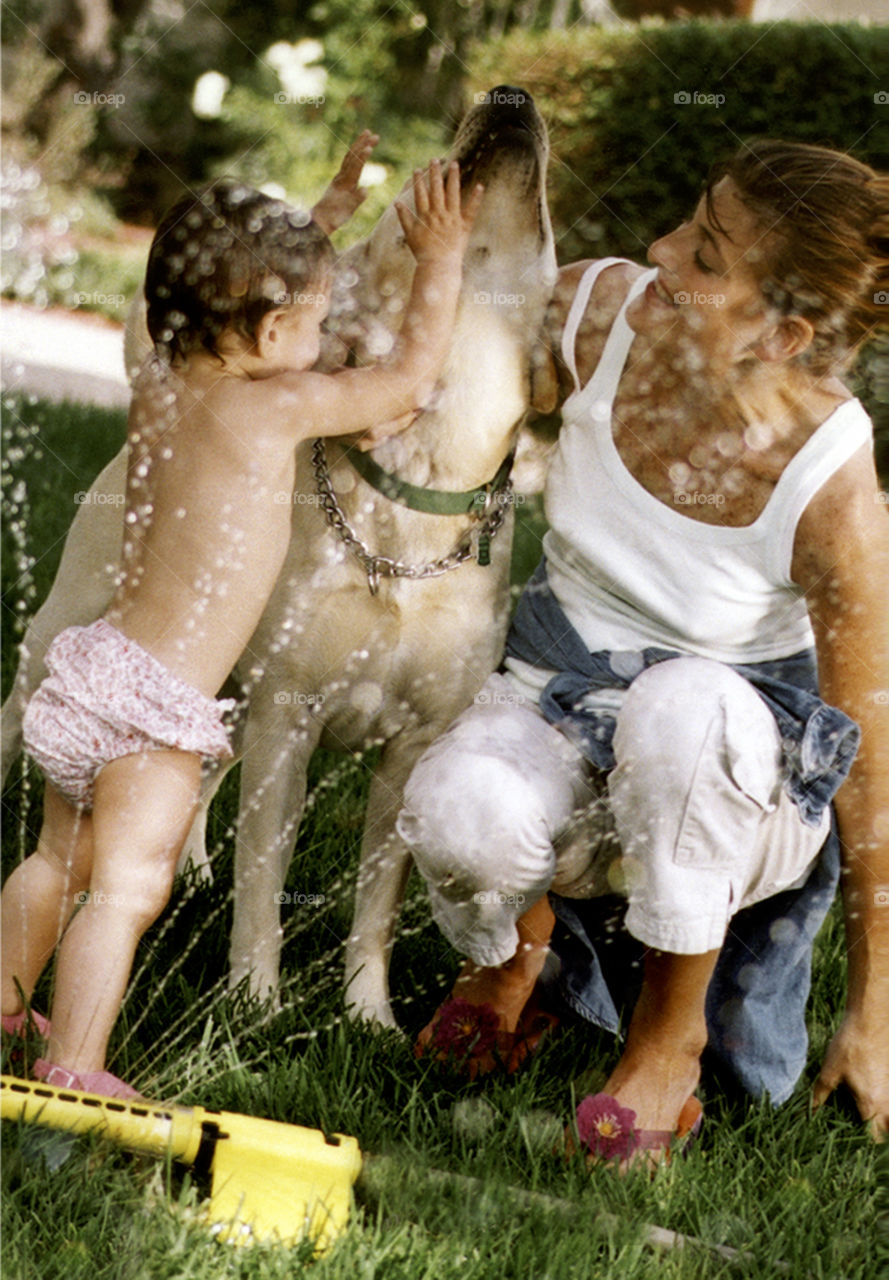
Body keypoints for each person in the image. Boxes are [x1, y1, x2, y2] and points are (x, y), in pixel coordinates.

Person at [397, 137, 889, 1160]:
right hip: (556, 708)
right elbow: (443, 398)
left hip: (731, 778)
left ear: (781, 330)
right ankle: (510, 960)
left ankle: (669, 1038)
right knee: (460, 813)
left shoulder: (825, 475)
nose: (660, 249)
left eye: (706, 256)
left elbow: (869, 739)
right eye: (687, 220)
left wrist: (875, 1006)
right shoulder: (593, 317)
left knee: (684, 707)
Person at [0, 138, 483, 1099]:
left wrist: (321, 218)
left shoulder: (161, 380)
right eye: (313, 320)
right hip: (153, 710)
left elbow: (237, 288)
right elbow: (409, 381)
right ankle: (77, 1066)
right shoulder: (276, 409)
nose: (323, 335)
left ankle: (7, 1002)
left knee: (58, 859)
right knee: (128, 891)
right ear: (269, 337)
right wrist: (441, 256)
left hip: (90, 670)